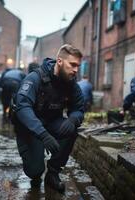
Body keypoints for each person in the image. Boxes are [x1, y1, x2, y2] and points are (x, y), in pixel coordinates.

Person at [12, 44, 84, 192]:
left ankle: (53, 173)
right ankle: (36, 170)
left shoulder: (71, 83)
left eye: (78, 65)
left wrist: (72, 119)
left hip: (52, 122)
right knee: (34, 172)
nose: (76, 70)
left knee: (71, 129)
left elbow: (78, 108)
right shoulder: (35, 78)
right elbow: (22, 107)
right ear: (59, 61)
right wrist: (43, 135)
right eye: (73, 64)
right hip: (30, 127)